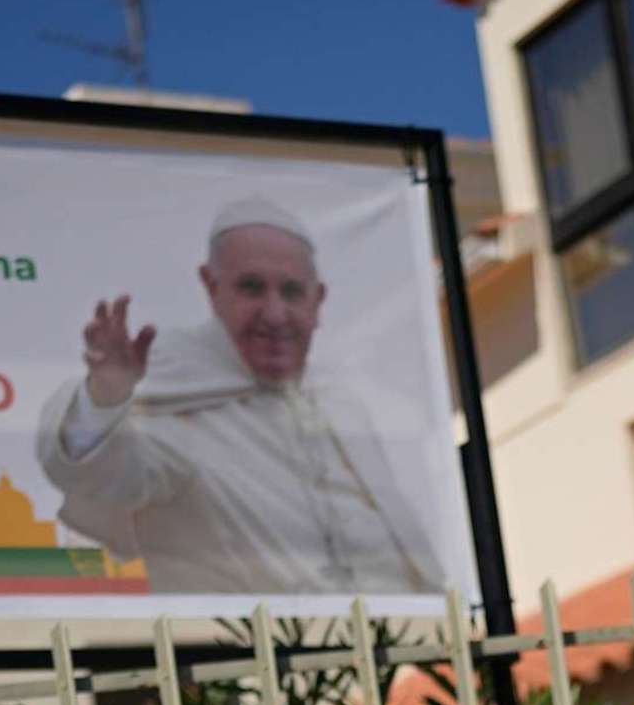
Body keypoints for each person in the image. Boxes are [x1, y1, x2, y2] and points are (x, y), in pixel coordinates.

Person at [37, 197, 441, 596]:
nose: (275, 314)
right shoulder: (171, 386)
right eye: (252, 288)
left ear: (318, 301)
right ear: (212, 289)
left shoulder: (341, 400)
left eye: (292, 292)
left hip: (408, 644)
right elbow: (106, 473)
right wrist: (106, 397)